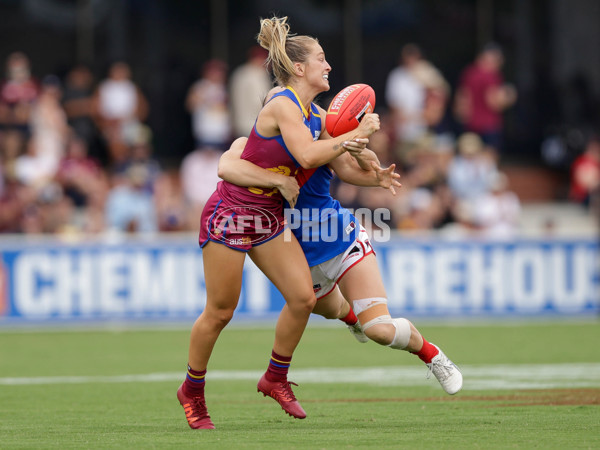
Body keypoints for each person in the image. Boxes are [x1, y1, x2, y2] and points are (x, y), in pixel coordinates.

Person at [176, 15, 381, 430]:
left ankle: (275, 378)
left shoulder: (312, 111)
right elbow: (306, 157)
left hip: (269, 217)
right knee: (220, 311)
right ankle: (192, 390)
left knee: (304, 298)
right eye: (321, 59)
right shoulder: (284, 104)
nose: (329, 66)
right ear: (300, 68)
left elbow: (345, 160)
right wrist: (351, 135)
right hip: (233, 215)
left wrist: (361, 146)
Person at [218, 95, 463, 400]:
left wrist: (369, 163)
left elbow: (353, 167)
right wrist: (274, 179)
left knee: (379, 330)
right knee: (331, 309)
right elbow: (225, 167)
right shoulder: (250, 146)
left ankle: (432, 355)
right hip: (297, 255)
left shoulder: (319, 133)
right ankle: (351, 320)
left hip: (340, 240)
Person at [454, 43, 517, 156]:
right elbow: (493, 102)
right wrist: (509, 97)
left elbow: (461, 100)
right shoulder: (491, 76)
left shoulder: (469, 72)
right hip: (489, 126)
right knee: (488, 161)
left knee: (469, 159)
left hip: (470, 125)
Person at [229, 46, 272, 138]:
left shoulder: (239, 73)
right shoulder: (258, 74)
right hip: (255, 125)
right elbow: (260, 101)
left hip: (239, 124)